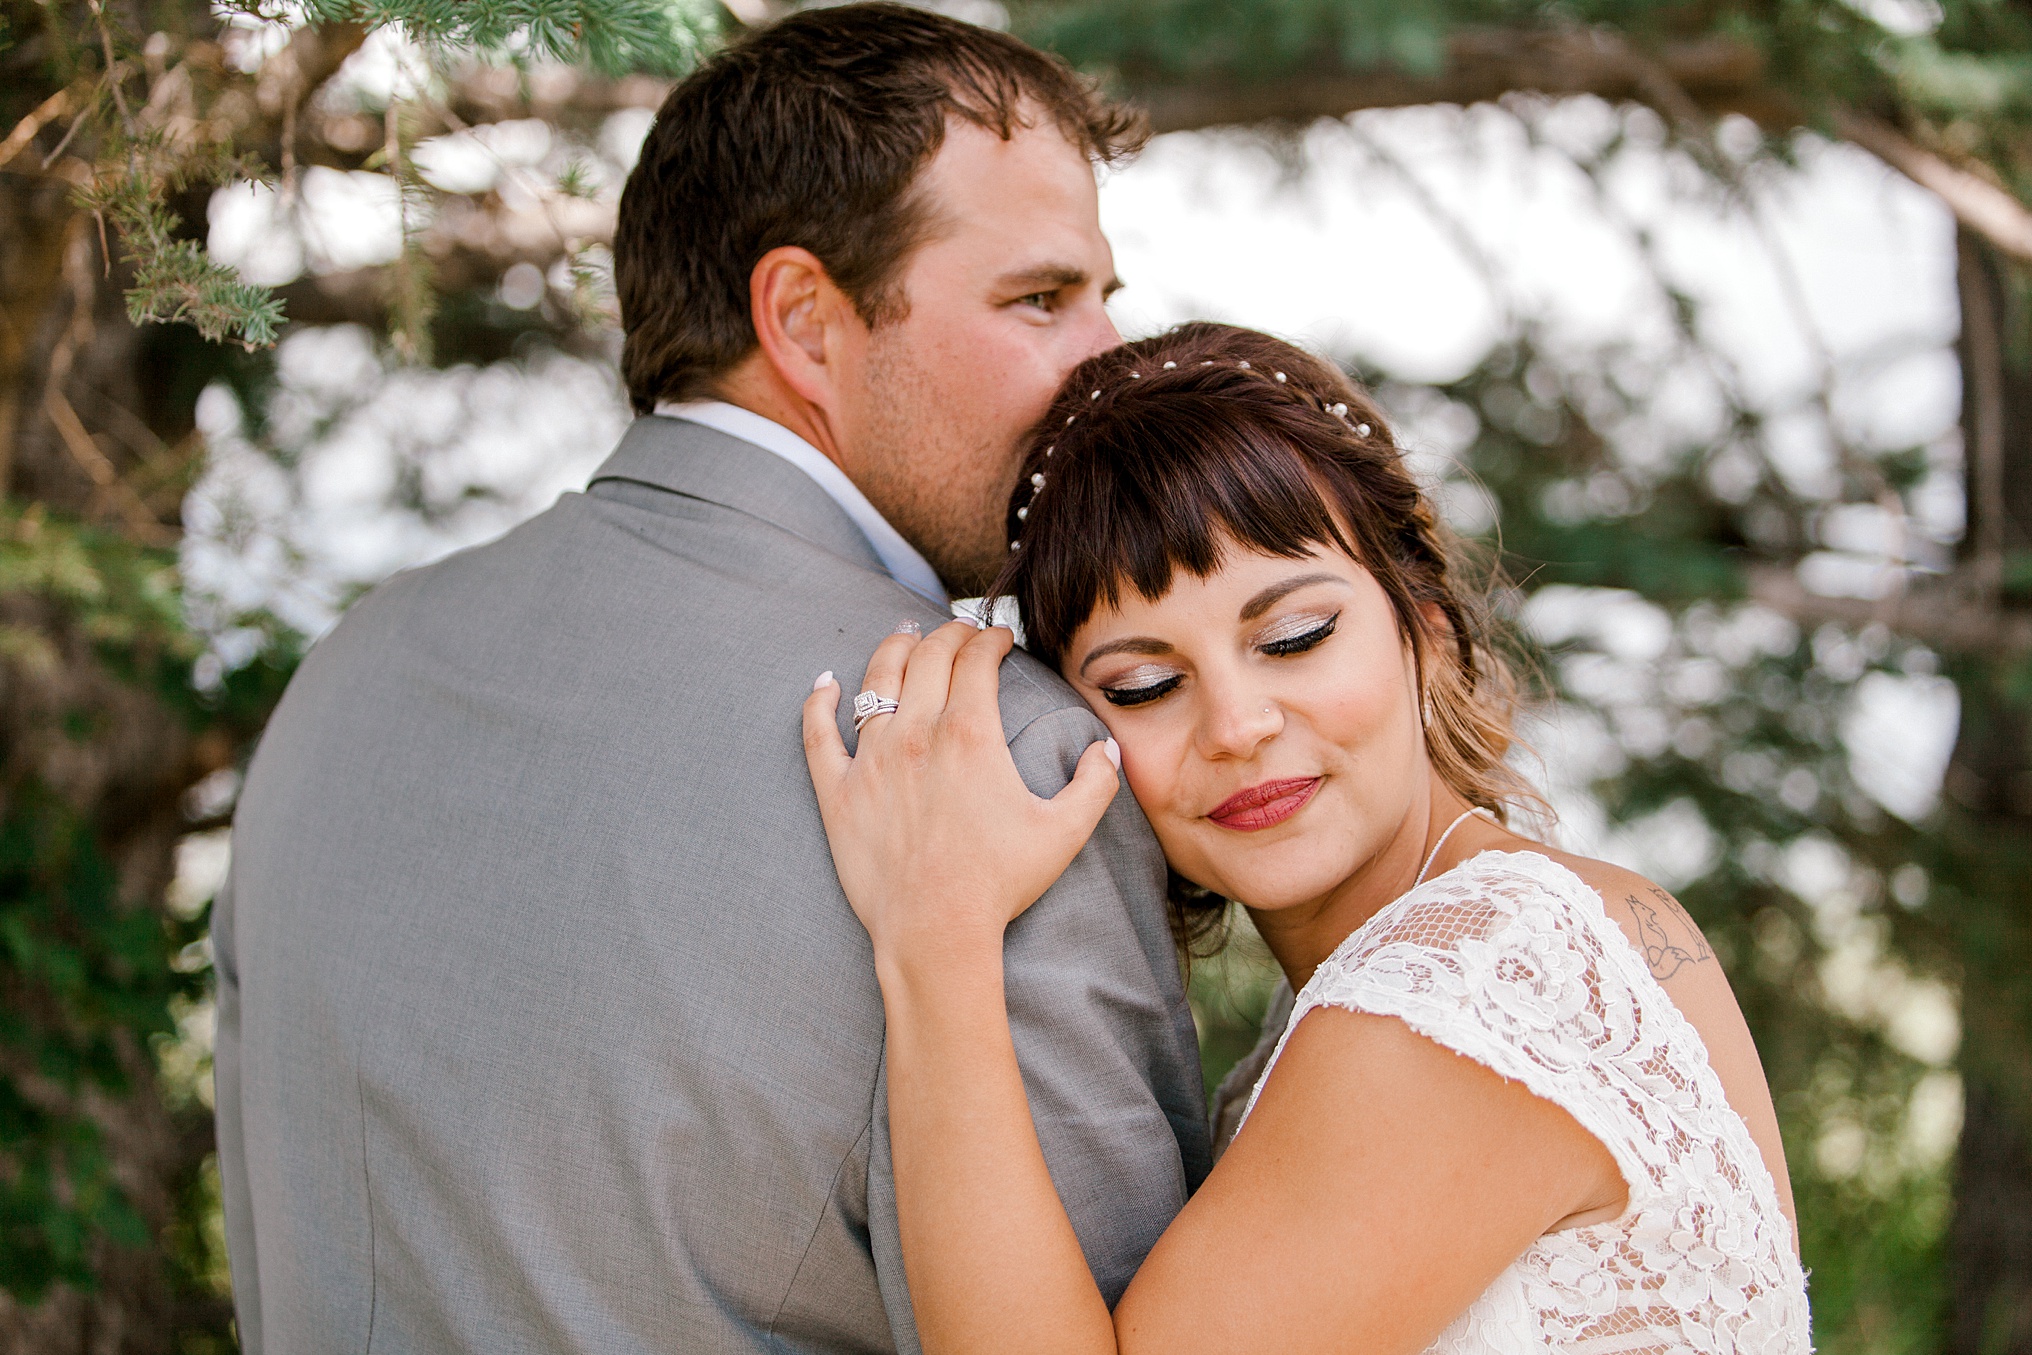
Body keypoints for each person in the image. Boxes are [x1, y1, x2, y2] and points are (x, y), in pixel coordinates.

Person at [211, 8, 1208, 1350]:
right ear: (803, 319)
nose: (1108, 365)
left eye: (1103, 298)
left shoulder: (353, 669)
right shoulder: (991, 754)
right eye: (1040, 299)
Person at [803, 322, 1813, 1354]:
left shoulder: (1485, 975)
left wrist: (935, 934)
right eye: (1143, 685)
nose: (1235, 724)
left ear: (1421, 626)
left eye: (1293, 636)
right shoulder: (1460, 956)